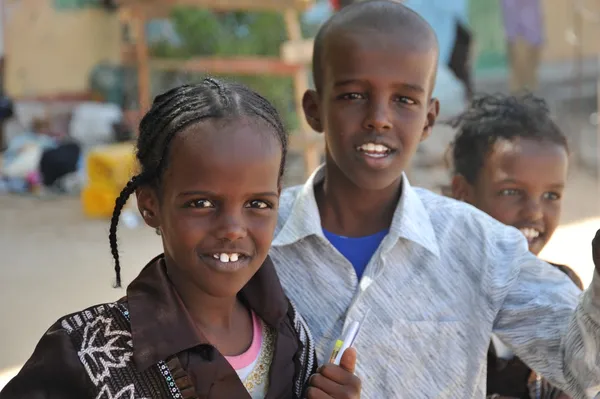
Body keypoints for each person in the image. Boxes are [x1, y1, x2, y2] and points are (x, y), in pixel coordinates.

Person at [269, 1, 600, 397]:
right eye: (353, 95)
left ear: (428, 119)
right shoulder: (260, 239)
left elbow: (582, 371)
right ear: (314, 109)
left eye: (404, 100)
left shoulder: (479, 245)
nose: (379, 117)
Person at [0, 79, 361, 399]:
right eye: (201, 203)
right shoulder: (84, 352)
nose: (233, 228)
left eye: (257, 203)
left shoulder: (291, 332)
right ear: (150, 205)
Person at [448, 92, 583, 399]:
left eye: (551, 196)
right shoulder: (435, 300)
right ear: (462, 193)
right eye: (511, 192)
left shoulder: (562, 290)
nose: (535, 212)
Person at [500, 0, 545, 93]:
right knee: (519, 75)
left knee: (530, 76)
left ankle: (528, 92)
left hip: (531, 34)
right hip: (518, 35)